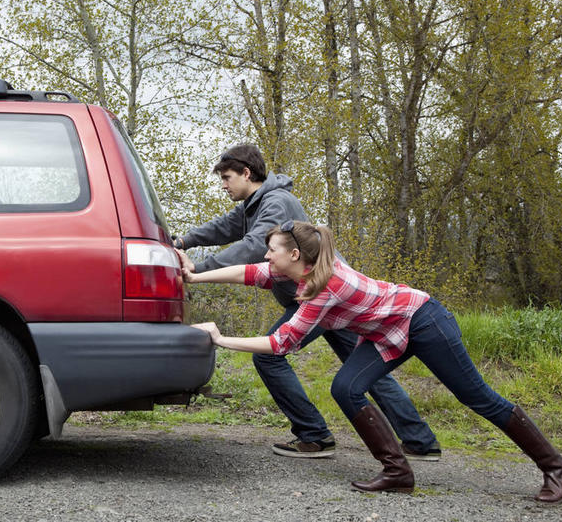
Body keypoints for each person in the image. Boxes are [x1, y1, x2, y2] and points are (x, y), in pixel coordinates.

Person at [186, 220, 562, 502]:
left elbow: (281, 342)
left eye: (272, 249)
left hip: (424, 321)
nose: (266, 255)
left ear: (294, 254)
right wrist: (194, 277)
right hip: (388, 332)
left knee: (476, 396)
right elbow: (250, 273)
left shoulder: (324, 287)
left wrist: (220, 339)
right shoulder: (302, 270)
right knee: (346, 387)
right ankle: (397, 472)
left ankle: (557, 468)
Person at [175, 144, 440, 460]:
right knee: (361, 367)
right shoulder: (254, 205)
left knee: (269, 358)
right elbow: (223, 228)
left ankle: (313, 435)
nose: (223, 185)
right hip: (332, 300)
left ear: (246, 173)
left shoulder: (275, 203)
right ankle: (420, 441)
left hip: (320, 296)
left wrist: (198, 269)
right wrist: (182, 241)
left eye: (227, 177)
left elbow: (252, 248)